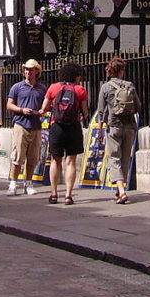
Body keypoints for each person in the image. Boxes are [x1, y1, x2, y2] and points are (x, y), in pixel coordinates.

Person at [39, 62, 89, 205]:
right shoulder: (80, 90)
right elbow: (85, 113)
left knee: (56, 160)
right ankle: (68, 195)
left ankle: (54, 194)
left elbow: (44, 108)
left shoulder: (53, 87)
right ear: (76, 76)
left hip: (56, 127)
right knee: (71, 161)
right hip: (73, 127)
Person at [97, 56, 141, 204]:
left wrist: (100, 131)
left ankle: (121, 191)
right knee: (125, 158)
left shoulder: (105, 87)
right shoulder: (130, 86)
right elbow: (138, 107)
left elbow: (101, 112)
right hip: (129, 126)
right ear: (121, 70)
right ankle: (120, 191)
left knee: (114, 158)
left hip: (114, 127)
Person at [5, 59, 46, 196]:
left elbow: (46, 106)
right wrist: (21, 110)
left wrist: (42, 111)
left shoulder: (42, 88)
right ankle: (13, 184)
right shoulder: (17, 87)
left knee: (33, 158)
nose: (28, 72)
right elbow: (9, 105)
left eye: (31, 69)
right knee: (17, 156)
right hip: (21, 124)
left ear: (36, 71)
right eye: (26, 69)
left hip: (36, 125)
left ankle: (28, 183)